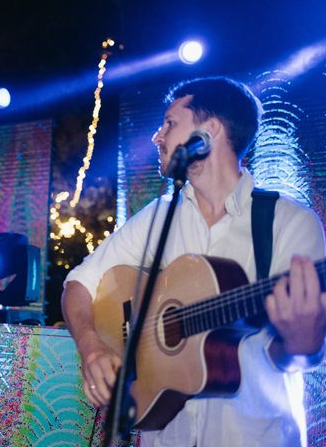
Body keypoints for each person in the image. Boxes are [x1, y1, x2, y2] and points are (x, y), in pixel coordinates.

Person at [62, 77, 326, 447]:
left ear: (210, 130)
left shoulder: (288, 224)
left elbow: (293, 358)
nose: (158, 137)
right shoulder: (159, 216)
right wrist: (93, 346)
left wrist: (302, 340)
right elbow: (79, 283)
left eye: (170, 123)